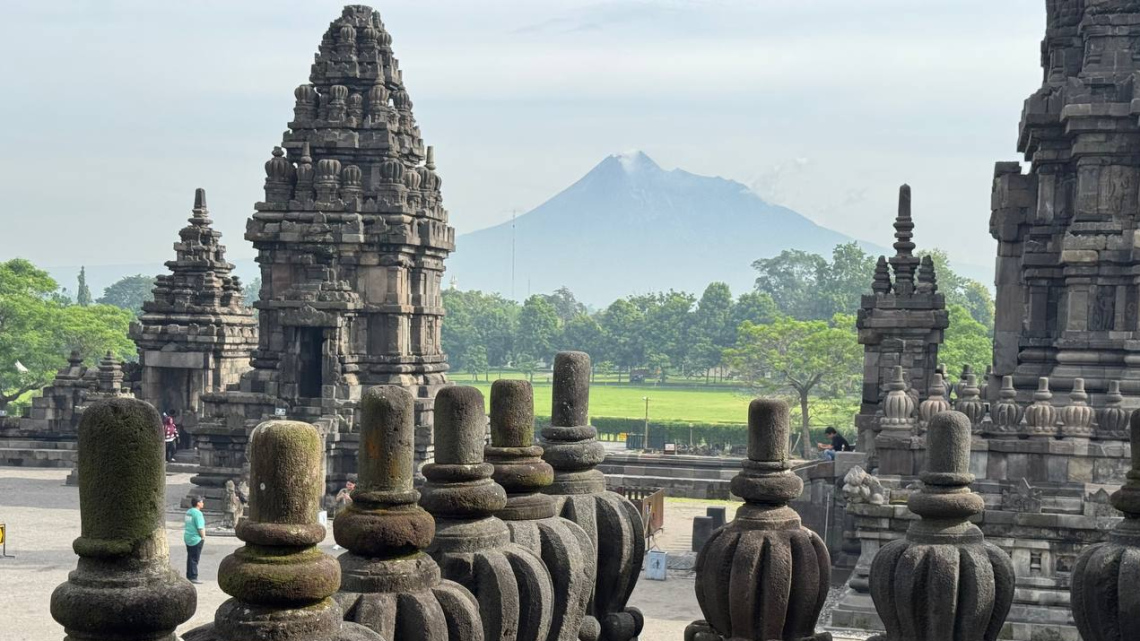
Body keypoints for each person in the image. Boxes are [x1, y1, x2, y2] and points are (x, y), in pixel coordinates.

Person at [184, 496, 206, 584]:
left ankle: (189, 575)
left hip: (188, 537)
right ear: (198, 503)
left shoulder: (188, 512)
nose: (203, 503)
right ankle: (193, 576)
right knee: (194, 558)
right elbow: (200, 527)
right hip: (196, 538)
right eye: (201, 502)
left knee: (190, 557)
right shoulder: (198, 513)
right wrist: (203, 536)